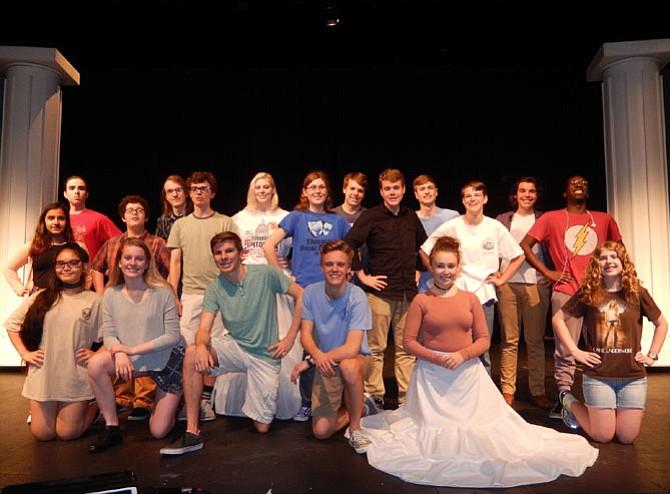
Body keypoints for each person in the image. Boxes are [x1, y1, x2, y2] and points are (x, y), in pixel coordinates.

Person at [361, 236, 599, 488]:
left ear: (458, 267)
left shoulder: (469, 299)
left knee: (485, 432)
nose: (445, 272)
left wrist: (461, 355)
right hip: (431, 379)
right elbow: (408, 342)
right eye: (440, 266)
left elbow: (484, 339)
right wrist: (438, 358)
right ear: (431, 267)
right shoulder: (422, 300)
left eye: (450, 266)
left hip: (467, 375)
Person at [159, 231, 303, 455]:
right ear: (214, 257)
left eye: (229, 251)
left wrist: (290, 338)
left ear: (241, 254)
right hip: (235, 347)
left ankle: (256, 391)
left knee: (263, 427)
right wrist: (200, 346)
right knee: (191, 354)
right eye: (218, 253)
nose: (223, 257)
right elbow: (204, 328)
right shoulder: (215, 287)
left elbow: (301, 295)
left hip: (265, 355)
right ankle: (192, 431)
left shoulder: (265, 274)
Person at [520, 175, 623, 417]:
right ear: (565, 192)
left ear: (588, 192)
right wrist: (547, 271)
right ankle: (563, 400)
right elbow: (525, 245)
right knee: (565, 350)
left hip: (600, 293)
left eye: (584, 183)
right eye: (573, 183)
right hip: (566, 293)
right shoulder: (551, 218)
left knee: (605, 348)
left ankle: (604, 401)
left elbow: (620, 252)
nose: (579, 185)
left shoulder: (604, 219)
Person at [552, 241, 667, 443]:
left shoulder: (637, 292)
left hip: (633, 378)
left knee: (627, 437)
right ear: (597, 264)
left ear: (623, 261)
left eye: (614, 256)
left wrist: (652, 355)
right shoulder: (588, 292)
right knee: (602, 435)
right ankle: (567, 400)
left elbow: (661, 324)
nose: (609, 261)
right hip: (598, 376)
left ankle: (604, 415)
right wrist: (575, 352)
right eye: (603, 258)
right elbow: (557, 319)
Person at [263, 170, 351, 422]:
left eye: (321, 187)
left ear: (327, 192)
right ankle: (306, 401)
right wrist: (281, 276)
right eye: (312, 187)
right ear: (304, 192)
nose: (317, 191)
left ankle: (338, 399)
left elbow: (350, 251)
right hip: (305, 293)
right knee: (308, 347)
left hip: (334, 291)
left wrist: (348, 275)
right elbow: (269, 246)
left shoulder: (338, 222)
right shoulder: (296, 217)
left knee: (333, 345)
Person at [214, 172, 302, 420]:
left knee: (277, 341)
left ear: (273, 190)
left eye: (267, 186)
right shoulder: (238, 219)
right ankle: (244, 402)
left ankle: (278, 402)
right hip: (247, 283)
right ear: (252, 190)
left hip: (276, 282)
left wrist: (288, 264)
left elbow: (300, 247)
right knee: (244, 341)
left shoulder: (285, 216)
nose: (262, 190)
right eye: (258, 186)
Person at [87, 237, 184, 452]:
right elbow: (110, 334)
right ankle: (112, 428)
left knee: (158, 431)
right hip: (132, 358)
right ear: (119, 262)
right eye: (128, 258)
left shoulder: (163, 291)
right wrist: (119, 353)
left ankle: (176, 401)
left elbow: (172, 336)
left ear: (147, 263)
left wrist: (130, 350)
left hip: (167, 359)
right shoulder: (111, 294)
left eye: (139, 259)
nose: (133, 263)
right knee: (95, 365)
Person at [420, 180, 525, 376]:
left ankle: (481, 395)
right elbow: (425, 250)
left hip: (483, 295)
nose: (472, 199)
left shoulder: (494, 227)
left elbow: (518, 256)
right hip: (455, 293)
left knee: (481, 347)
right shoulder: (453, 225)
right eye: (468, 196)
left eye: (477, 195)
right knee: (453, 343)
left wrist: (502, 280)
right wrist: (439, 273)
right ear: (463, 200)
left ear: (485, 198)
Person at [344, 168, 427, 412]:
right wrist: (362, 276)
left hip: (407, 293)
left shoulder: (411, 216)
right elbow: (350, 243)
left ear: (403, 190)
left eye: (396, 188)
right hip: (380, 293)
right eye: (387, 189)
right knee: (375, 348)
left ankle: (405, 397)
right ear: (381, 191)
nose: (392, 192)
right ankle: (375, 396)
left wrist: (420, 268)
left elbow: (425, 245)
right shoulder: (371, 216)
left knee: (406, 348)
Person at [4, 242, 102, 441]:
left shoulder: (94, 300)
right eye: (61, 264)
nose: (66, 268)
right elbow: (11, 325)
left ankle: (96, 406)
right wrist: (25, 354)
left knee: (67, 433)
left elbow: (112, 334)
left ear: (84, 267)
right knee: (43, 433)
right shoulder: (41, 297)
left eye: (72, 263)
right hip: (44, 373)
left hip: (75, 373)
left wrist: (98, 355)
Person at [90, 195, 171, 421]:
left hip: (148, 307)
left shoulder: (158, 243)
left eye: (139, 210)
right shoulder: (112, 243)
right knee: (117, 346)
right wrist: (101, 294)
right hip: (119, 306)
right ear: (122, 216)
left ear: (146, 216)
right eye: (130, 210)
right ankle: (121, 397)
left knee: (145, 346)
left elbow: (170, 271)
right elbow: (97, 268)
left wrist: (167, 297)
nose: (134, 213)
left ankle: (144, 400)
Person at [166, 171, 239, 422]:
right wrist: (172, 294)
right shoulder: (180, 224)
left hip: (221, 293)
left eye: (204, 188)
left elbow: (235, 259)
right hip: (191, 294)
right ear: (189, 193)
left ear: (213, 192)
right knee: (189, 349)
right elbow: (175, 263)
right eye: (194, 188)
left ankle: (206, 400)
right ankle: (190, 402)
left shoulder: (225, 222)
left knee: (213, 348)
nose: (199, 192)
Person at [289, 240, 374, 454]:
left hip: (356, 360)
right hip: (325, 362)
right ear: (322, 267)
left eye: (340, 264)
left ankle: (355, 428)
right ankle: (359, 408)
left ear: (348, 269)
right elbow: (305, 336)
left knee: (348, 366)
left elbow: (352, 349)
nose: (334, 269)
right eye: (329, 264)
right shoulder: (310, 292)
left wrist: (310, 360)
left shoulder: (357, 296)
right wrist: (317, 356)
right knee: (321, 431)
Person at [494, 177, 553, 409]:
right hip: (508, 284)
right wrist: (497, 277)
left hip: (535, 285)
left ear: (537, 195)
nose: (527, 195)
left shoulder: (544, 219)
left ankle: (537, 390)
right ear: (515, 194)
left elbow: (554, 249)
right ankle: (508, 390)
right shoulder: (502, 220)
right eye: (522, 191)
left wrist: (548, 274)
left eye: (531, 191)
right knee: (509, 340)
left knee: (536, 341)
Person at [4, 201, 88, 297]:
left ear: (67, 221)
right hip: (39, 298)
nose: (56, 222)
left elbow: (88, 274)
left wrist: (83, 294)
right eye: (51, 218)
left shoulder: (78, 247)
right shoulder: (34, 246)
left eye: (60, 218)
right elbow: (8, 268)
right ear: (44, 221)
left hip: (69, 298)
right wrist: (20, 289)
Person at [412, 174, 459, 293]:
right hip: (420, 281)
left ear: (436, 192)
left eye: (430, 188)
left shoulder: (452, 217)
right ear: (416, 194)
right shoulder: (410, 219)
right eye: (422, 189)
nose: (427, 192)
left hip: (448, 280)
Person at [63, 175, 122, 262]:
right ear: (65, 194)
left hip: (90, 272)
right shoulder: (60, 219)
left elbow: (122, 242)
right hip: (64, 270)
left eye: (81, 188)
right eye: (72, 188)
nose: (76, 192)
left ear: (87, 194)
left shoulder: (99, 219)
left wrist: (109, 267)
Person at [155, 174, 194, 242]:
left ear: (186, 193)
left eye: (178, 190)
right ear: (166, 197)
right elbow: (159, 248)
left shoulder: (196, 217)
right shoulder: (162, 221)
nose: (175, 194)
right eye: (170, 191)